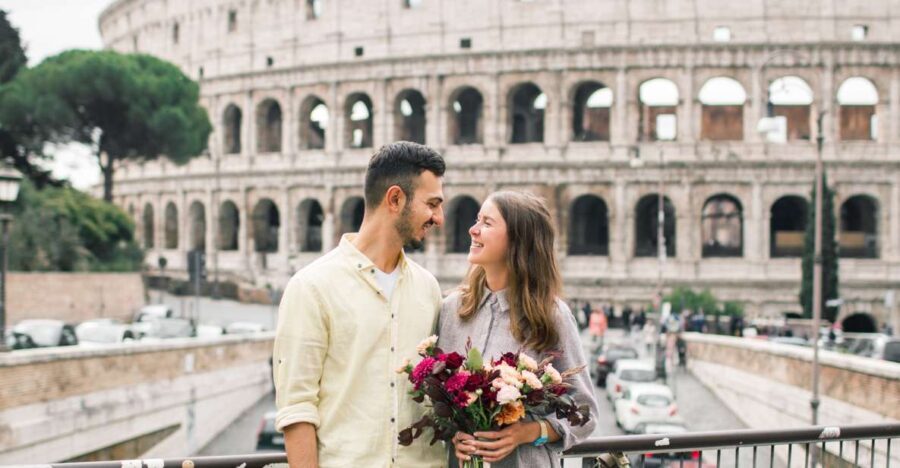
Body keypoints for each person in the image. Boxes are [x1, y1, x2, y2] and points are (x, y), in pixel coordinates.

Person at [273, 142, 448, 468]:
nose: (439, 218)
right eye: (432, 204)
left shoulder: (428, 288)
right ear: (395, 199)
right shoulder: (311, 287)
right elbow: (297, 409)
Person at [436, 191, 599, 468]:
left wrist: (529, 433)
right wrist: (454, 435)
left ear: (518, 240)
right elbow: (439, 405)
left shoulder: (551, 317)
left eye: (487, 223)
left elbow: (585, 413)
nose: (472, 229)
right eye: (477, 220)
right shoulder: (452, 309)